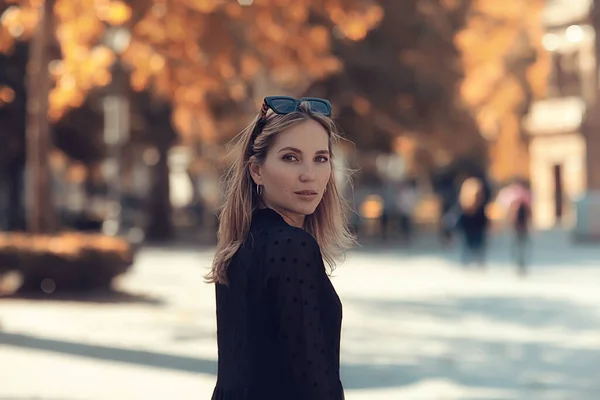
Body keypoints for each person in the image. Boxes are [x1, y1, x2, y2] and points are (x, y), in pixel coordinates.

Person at [205, 96, 355, 400]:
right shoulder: (292, 247)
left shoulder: (238, 248)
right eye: (290, 157)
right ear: (256, 170)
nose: (308, 174)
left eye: (320, 158)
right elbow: (314, 386)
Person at [446, 177, 489, 267]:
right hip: (470, 233)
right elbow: (455, 220)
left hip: (475, 232)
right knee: (471, 253)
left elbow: (484, 220)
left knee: (475, 253)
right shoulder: (464, 208)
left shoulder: (478, 207)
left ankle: (473, 265)